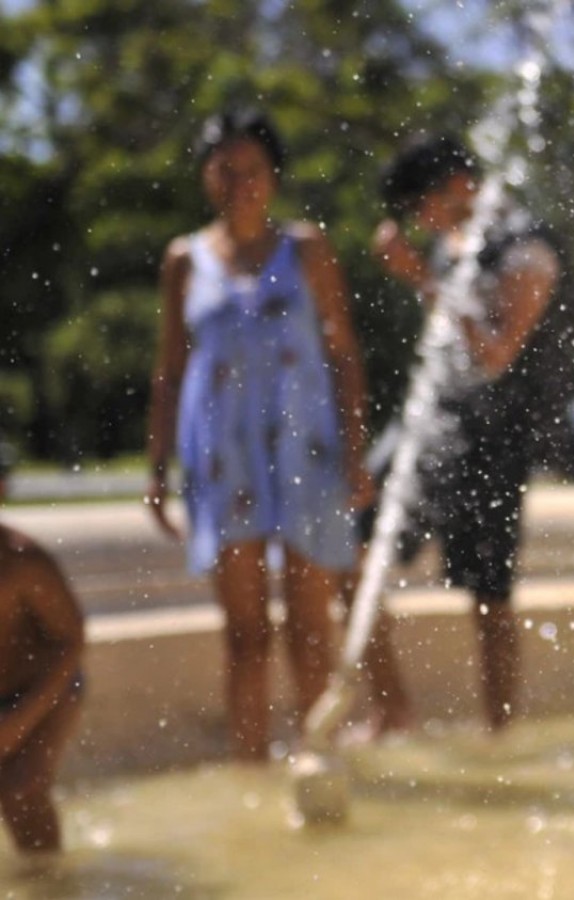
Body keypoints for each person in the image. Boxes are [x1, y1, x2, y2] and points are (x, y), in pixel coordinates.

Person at [145, 109, 375, 762]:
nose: (238, 182)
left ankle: (316, 763)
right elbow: (169, 368)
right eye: (224, 169)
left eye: (252, 170)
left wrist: (356, 453)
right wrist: (157, 467)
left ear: (273, 178)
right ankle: (249, 770)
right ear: (204, 175)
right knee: (245, 635)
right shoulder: (184, 261)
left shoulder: (306, 250)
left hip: (306, 449)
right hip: (223, 458)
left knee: (310, 627)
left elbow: (344, 356)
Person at [356, 134, 565, 733]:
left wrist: (422, 277)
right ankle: (390, 706)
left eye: (423, 204)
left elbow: (496, 356)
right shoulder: (452, 251)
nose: (421, 220)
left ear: (458, 186)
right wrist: (427, 276)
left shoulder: (526, 251)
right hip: (431, 426)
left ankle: (500, 734)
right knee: (350, 545)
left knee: (490, 597)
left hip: (494, 440)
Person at [0, 443, 85, 855]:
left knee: (21, 789)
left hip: (47, 688)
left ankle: (50, 885)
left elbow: (71, 641)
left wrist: (21, 717)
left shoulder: (21, 562)